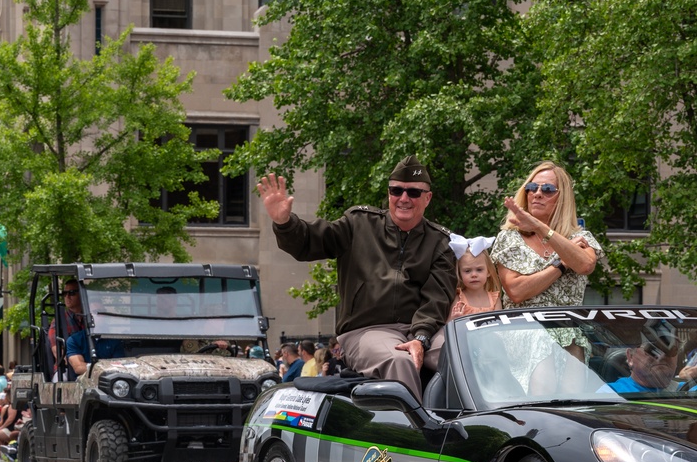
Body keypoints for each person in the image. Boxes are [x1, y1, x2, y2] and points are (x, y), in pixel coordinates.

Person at [258, 155, 456, 398]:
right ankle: (414, 434)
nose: (404, 198)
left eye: (413, 193)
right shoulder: (359, 223)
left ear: (428, 198)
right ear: (389, 193)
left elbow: (437, 298)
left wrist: (421, 338)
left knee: (463, 353)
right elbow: (312, 242)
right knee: (400, 361)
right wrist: (285, 222)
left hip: (422, 329)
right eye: (396, 191)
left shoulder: (441, 242)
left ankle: (479, 428)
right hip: (366, 331)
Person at [490, 161, 602, 393]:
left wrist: (543, 229)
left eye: (547, 189)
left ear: (562, 198)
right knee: (541, 344)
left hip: (568, 328)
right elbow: (517, 291)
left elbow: (585, 264)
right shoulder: (509, 238)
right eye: (532, 187)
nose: (537, 194)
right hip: (524, 328)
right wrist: (560, 265)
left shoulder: (580, 236)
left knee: (573, 399)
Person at [608, 321, 686, 394]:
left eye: (670, 350)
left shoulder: (690, 390)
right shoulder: (609, 393)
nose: (661, 356)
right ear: (630, 356)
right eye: (652, 349)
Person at [447, 234, 502, 319]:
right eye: (467, 271)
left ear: (489, 271)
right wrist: (454, 319)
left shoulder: (495, 299)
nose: (474, 275)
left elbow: (500, 326)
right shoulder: (459, 300)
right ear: (460, 274)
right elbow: (449, 328)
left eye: (479, 270)